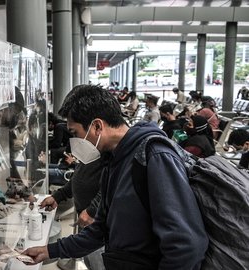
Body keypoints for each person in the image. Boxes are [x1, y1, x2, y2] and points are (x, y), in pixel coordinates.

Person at [23, 84, 208, 269]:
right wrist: (50, 250)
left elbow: (186, 246)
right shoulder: (113, 159)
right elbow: (100, 230)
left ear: (96, 126)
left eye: (75, 133)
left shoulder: (155, 158)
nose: (73, 143)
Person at [40, 158, 105, 270]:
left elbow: (110, 186)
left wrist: (92, 210)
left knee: (98, 262)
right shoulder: (89, 155)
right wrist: (58, 196)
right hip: (85, 219)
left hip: (98, 221)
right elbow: (78, 177)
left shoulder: (109, 155)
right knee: (89, 260)